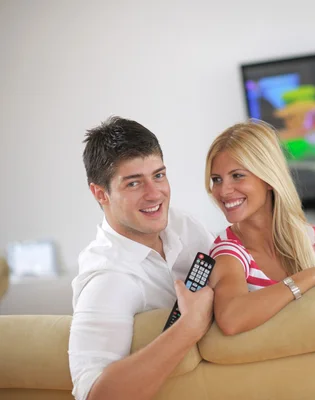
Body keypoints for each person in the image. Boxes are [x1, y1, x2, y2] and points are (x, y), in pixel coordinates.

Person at [68, 116, 216, 400]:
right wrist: (189, 327)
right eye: (134, 184)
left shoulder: (182, 224)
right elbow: (92, 394)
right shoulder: (108, 280)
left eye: (159, 175)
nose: (155, 194)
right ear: (100, 193)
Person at [205, 119, 315, 336]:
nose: (223, 191)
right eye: (216, 179)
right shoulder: (228, 252)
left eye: (237, 176)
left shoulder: (312, 239)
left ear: (268, 178)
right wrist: (310, 276)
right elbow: (231, 319)